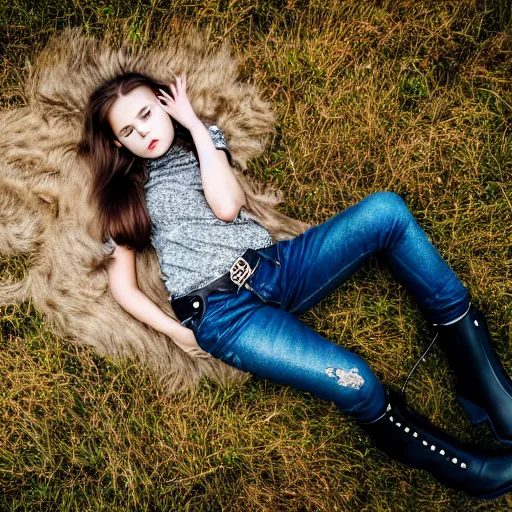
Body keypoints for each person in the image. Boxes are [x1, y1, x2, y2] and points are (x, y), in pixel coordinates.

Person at [79, 71, 512, 499]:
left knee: (387, 212)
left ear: (165, 102)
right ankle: (461, 467)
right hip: (226, 318)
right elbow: (125, 288)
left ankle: (481, 379)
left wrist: (193, 125)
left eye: (148, 114)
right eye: (129, 130)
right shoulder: (122, 196)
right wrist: (177, 332)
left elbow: (227, 206)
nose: (145, 133)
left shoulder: (203, 140)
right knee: (355, 382)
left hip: (277, 267)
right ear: (118, 143)